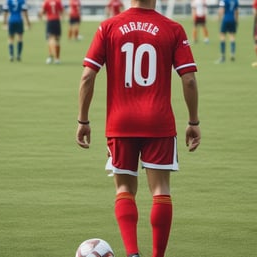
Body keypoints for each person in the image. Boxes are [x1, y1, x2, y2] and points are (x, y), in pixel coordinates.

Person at [75, 0, 201, 257]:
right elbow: (188, 79)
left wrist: (83, 120)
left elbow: (88, 76)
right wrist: (193, 121)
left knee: (124, 189)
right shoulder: (173, 28)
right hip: (159, 122)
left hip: (121, 123)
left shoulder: (108, 27)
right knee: (161, 190)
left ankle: (132, 253)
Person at [39, 0, 64, 64]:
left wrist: (40, 17)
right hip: (57, 21)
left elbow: (42, 12)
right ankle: (57, 58)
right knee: (57, 40)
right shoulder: (58, 1)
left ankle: (51, 56)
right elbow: (62, 11)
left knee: (51, 39)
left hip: (50, 21)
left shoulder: (46, 2)